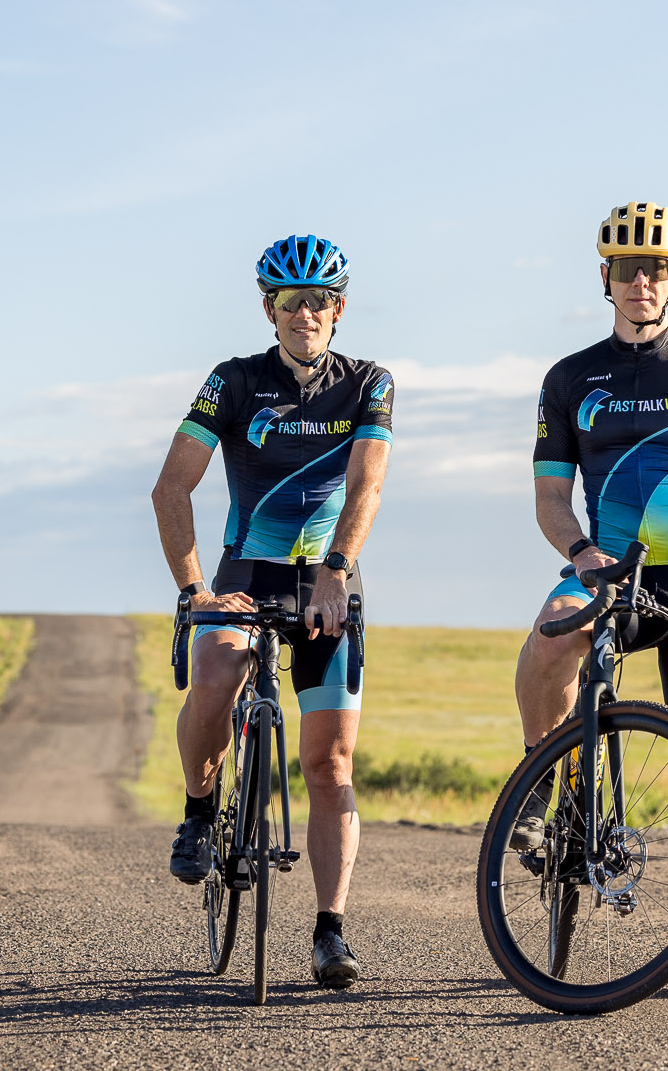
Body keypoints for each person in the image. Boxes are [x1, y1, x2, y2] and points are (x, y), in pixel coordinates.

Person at [513, 202, 668, 994]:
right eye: (626, 269)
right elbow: (551, 499)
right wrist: (582, 553)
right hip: (607, 572)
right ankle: (543, 781)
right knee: (550, 632)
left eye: (654, 269)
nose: (640, 281)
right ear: (606, 280)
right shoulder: (570, 378)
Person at [151, 234, 393, 990]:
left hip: (327, 579)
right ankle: (199, 810)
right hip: (246, 573)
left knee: (329, 763)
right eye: (291, 302)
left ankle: (330, 932)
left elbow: (366, 489)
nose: (306, 314)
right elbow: (171, 490)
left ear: (338, 309)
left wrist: (336, 573)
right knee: (217, 670)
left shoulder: (369, 385)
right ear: (270, 309)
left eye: (319, 301)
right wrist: (196, 592)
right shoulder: (232, 382)